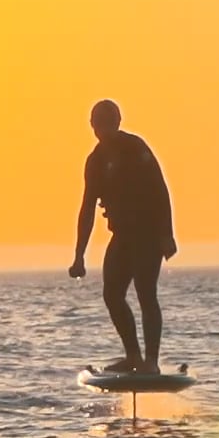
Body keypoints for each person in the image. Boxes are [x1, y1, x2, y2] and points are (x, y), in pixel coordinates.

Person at [69, 99, 177, 374]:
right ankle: (133, 357)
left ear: (118, 121)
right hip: (123, 236)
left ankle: (150, 362)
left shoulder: (135, 147)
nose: (103, 128)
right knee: (112, 294)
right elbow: (87, 208)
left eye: (109, 122)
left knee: (145, 292)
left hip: (149, 234)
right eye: (98, 123)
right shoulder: (94, 161)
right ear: (92, 126)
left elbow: (159, 189)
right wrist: (79, 255)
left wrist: (167, 234)